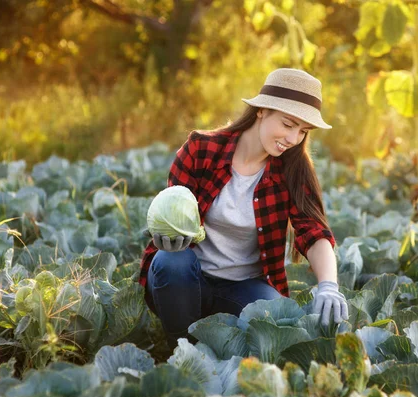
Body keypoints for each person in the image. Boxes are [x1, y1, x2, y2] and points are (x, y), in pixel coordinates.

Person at [138, 68, 349, 349]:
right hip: (186, 279)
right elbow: (171, 210)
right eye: (288, 124)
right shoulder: (201, 149)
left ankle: (218, 339)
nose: (294, 138)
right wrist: (165, 237)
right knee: (171, 262)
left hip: (242, 288)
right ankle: (180, 349)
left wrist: (328, 286)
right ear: (261, 110)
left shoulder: (293, 169)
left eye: (303, 131)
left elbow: (313, 231)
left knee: (275, 318)